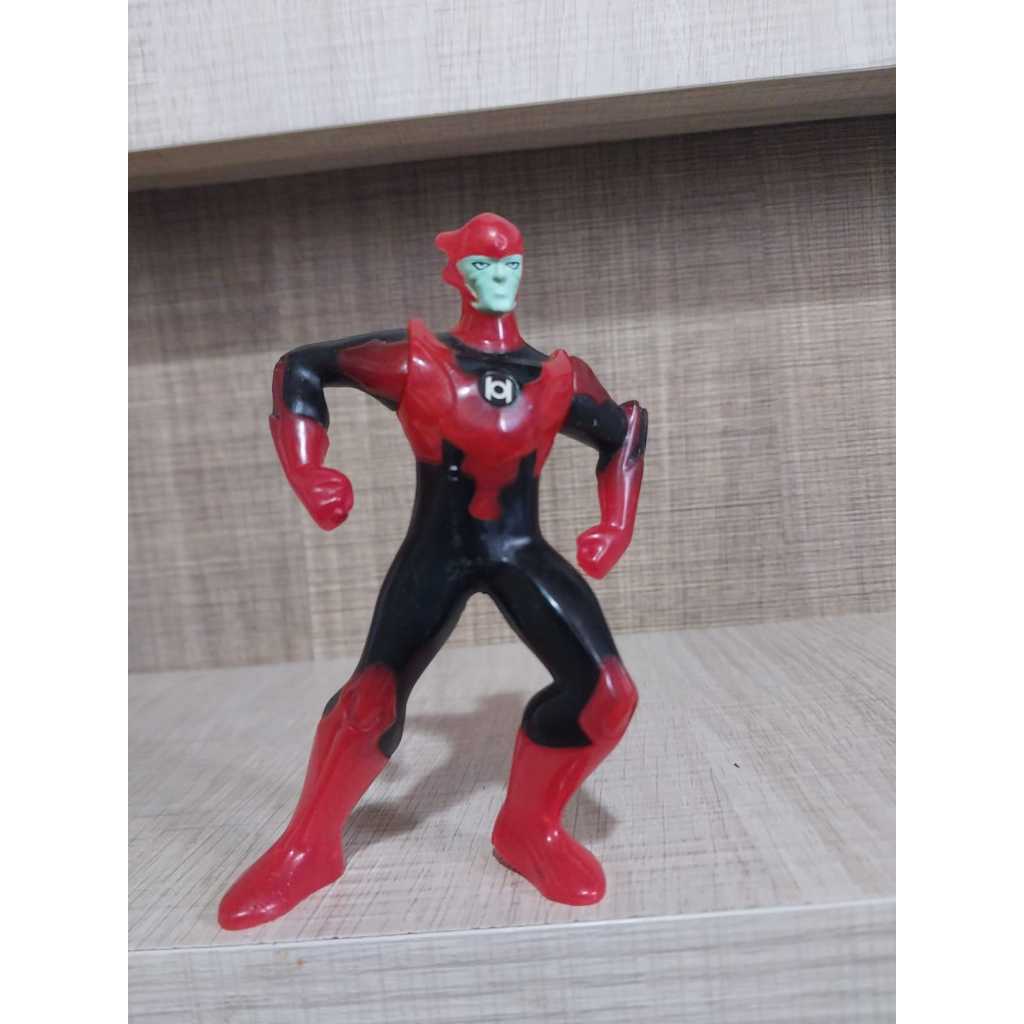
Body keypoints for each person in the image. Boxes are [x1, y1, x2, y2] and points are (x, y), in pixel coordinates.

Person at [218, 213, 648, 930]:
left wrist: (618, 522)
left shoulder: (557, 377)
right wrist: (309, 471)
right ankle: (307, 846)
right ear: (456, 273)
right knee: (370, 700)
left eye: (510, 263)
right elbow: (301, 367)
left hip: (519, 551)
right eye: (482, 264)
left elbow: (624, 428)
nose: (499, 276)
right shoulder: (418, 361)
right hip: (437, 553)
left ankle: (530, 827)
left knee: (607, 694)